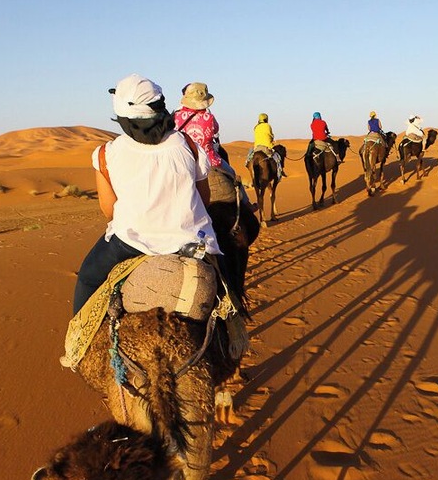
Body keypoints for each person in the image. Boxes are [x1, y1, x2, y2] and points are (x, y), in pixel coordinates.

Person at [72, 73, 218, 315]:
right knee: (225, 286)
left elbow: (108, 210)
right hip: (190, 241)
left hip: (129, 242)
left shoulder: (105, 154)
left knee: (87, 278)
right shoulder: (189, 146)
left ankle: (76, 346)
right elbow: (204, 199)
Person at [245, 113, 285, 178]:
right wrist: (272, 139)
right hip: (267, 148)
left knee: (250, 156)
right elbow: (271, 135)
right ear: (266, 119)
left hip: (257, 148)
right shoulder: (267, 126)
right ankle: (280, 172)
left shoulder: (256, 127)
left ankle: (247, 163)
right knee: (277, 158)